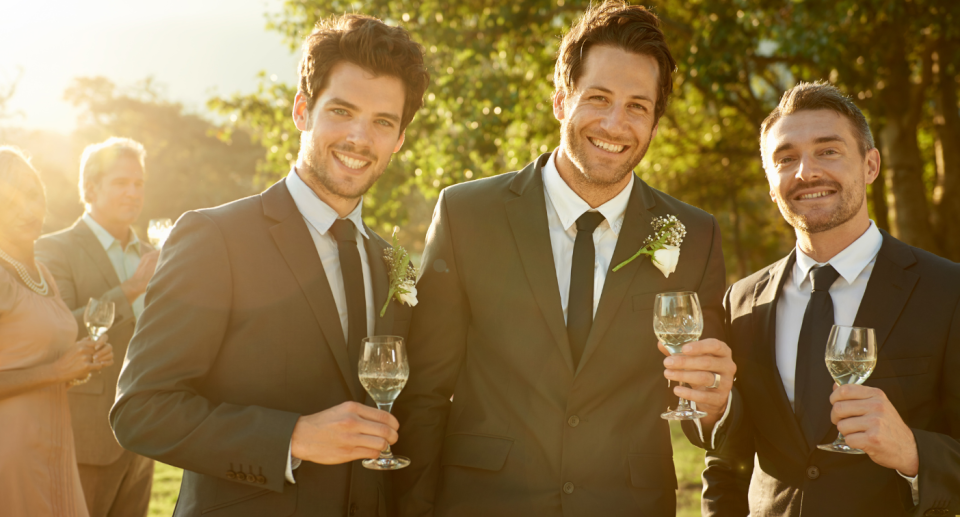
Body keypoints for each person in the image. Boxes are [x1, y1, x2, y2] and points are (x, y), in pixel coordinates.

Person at [391, 2, 736, 516]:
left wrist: (715, 403)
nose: (616, 124)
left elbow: (696, 406)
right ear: (560, 100)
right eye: (598, 98)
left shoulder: (696, 234)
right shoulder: (468, 214)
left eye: (638, 106)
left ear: (655, 121)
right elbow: (424, 394)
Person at [110, 14, 429, 517]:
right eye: (341, 111)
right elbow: (141, 411)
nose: (359, 138)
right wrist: (293, 437)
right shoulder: (215, 237)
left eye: (383, 122)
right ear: (303, 110)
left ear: (399, 139)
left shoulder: (393, 262)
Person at [702, 81, 960, 516]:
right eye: (786, 159)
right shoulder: (741, 302)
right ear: (771, 183)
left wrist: (914, 452)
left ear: (871, 165)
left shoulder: (948, 292)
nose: (806, 171)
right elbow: (727, 460)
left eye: (828, 151)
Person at [35, 137, 158, 517]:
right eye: (121, 183)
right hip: (85, 437)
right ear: (90, 188)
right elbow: (57, 330)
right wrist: (130, 289)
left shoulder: (153, 253)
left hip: (144, 434)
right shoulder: (53, 249)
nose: (133, 193)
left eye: (138, 184)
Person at [0, 147, 113, 517]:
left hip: (55, 443)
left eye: (33, 195)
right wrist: (56, 372)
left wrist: (78, 366)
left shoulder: (41, 274)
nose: (28, 210)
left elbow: (27, 357)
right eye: (11, 199)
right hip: (10, 453)